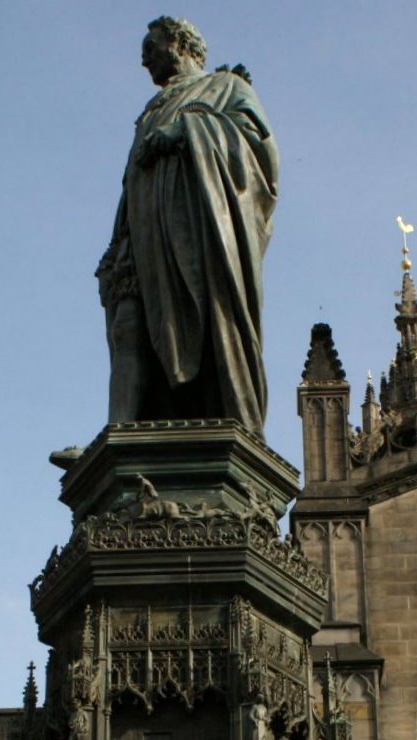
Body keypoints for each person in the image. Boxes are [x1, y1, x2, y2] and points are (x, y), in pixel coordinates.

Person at [97, 17, 279, 433]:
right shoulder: (151, 109)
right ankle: (118, 431)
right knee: (128, 323)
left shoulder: (226, 88)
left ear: (180, 45)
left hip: (198, 234)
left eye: (151, 46)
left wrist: (188, 128)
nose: (144, 58)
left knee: (211, 326)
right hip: (142, 233)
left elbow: (261, 157)